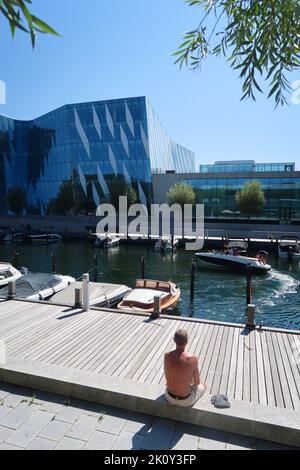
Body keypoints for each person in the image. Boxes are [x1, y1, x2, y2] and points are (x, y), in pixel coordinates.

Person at [164, 329, 206, 407]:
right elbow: (197, 382)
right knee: (203, 385)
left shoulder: (167, 355)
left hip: (169, 397)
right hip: (185, 400)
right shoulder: (192, 358)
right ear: (186, 342)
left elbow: (168, 376)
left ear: (174, 340)